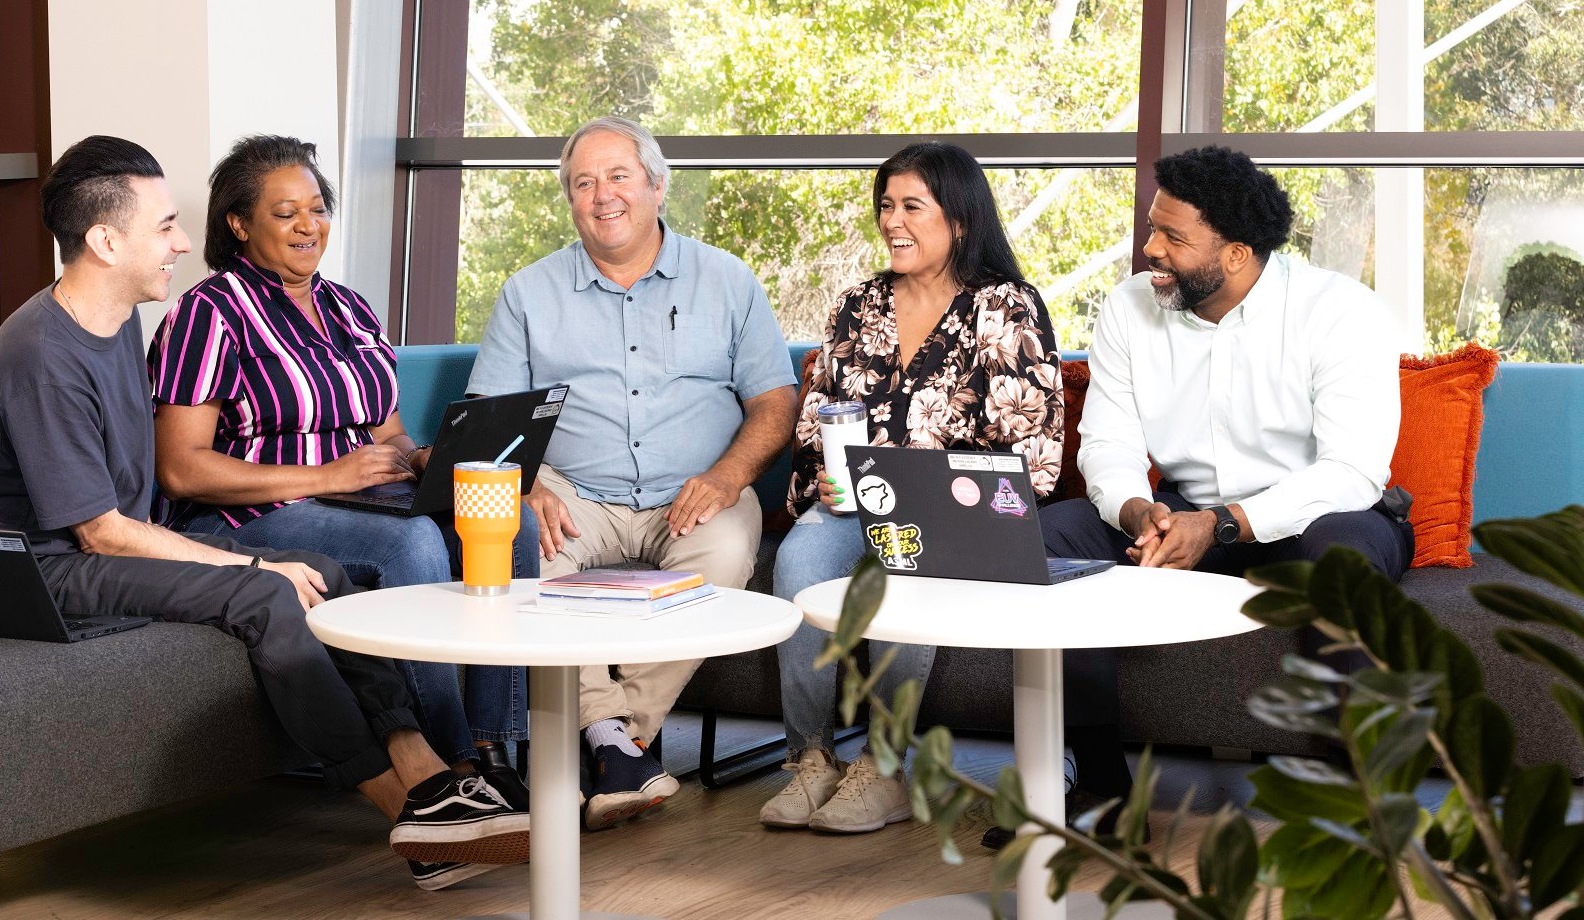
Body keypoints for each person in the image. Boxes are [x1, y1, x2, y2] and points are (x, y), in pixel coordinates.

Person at [0, 135, 527, 892]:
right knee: (273, 589)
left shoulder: (116, 321)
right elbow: (100, 531)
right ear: (105, 239)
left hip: (97, 551)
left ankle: (431, 772)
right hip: (39, 576)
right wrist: (251, 559)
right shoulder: (40, 356)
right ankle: (412, 820)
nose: (185, 242)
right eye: (165, 226)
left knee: (328, 574)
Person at [993, 145, 1409, 849]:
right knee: (1047, 536)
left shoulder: (1339, 311)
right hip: (1182, 516)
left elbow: (1352, 469)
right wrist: (1137, 511)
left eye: (1173, 237)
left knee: (1340, 553)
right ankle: (1101, 791)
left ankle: (1367, 807)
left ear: (1238, 253)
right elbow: (1109, 447)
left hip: (1320, 515)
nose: (1150, 249)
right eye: (1153, 228)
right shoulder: (1130, 309)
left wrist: (1222, 524)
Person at [148, 135, 535, 793]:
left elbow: (385, 432)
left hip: (363, 501)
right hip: (253, 514)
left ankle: (498, 746)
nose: (309, 225)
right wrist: (327, 477)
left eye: (318, 207)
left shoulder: (350, 308)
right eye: (285, 212)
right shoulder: (207, 314)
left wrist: (425, 459)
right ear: (238, 224)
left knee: (509, 518)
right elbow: (181, 470)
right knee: (412, 540)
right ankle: (453, 765)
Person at [467, 116, 799, 830]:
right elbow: (487, 416)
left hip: (697, 491)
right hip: (572, 494)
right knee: (525, 560)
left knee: (727, 554)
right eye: (583, 182)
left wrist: (728, 474)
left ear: (656, 184)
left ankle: (609, 738)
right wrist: (527, 487)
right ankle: (616, 746)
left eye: (618, 176)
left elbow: (776, 400)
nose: (602, 195)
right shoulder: (528, 292)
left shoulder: (727, 279)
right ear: (569, 201)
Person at [761, 142, 1065, 834]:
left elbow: (1031, 441)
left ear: (959, 219)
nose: (893, 220)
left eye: (911, 207)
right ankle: (809, 759)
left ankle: (885, 766)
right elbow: (817, 415)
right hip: (857, 501)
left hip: (952, 514)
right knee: (799, 560)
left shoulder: (1005, 307)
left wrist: (939, 492)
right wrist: (826, 480)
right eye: (886, 206)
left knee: (905, 559)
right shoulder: (858, 303)